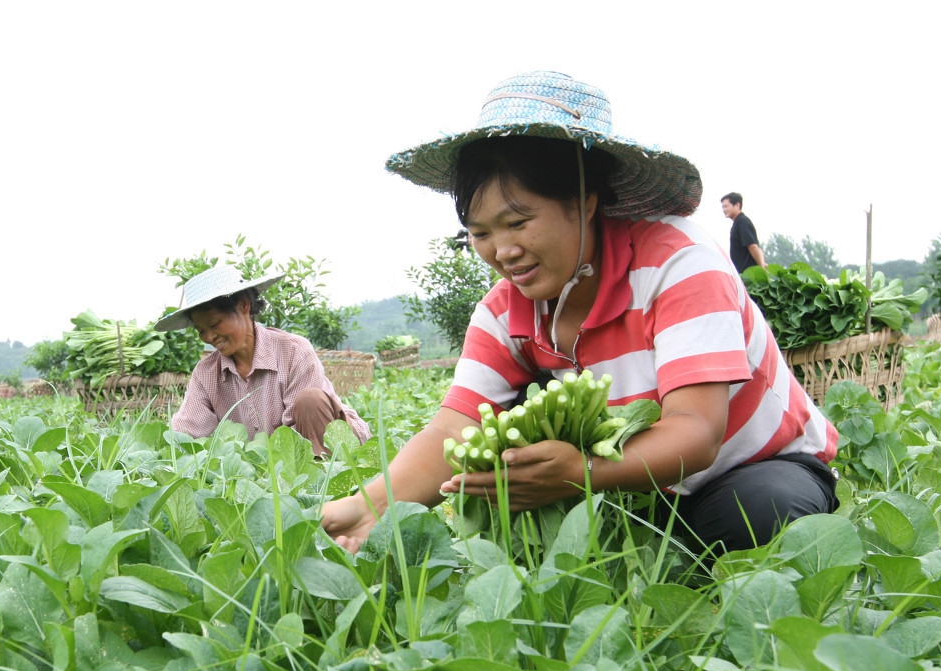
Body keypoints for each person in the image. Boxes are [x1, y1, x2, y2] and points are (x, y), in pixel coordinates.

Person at [322, 70, 838, 555]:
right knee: (526, 483)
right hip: (633, 490)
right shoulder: (504, 311)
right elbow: (451, 430)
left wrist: (581, 472)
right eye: (480, 233)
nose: (502, 251)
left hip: (751, 467)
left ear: (585, 200)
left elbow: (697, 432)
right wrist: (368, 507)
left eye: (518, 221)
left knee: (759, 514)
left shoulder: (678, 264)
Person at [155, 265, 371, 456]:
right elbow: (186, 430)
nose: (209, 337)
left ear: (244, 306)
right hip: (269, 464)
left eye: (215, 324)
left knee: (310, 401)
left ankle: (330, 490)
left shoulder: (294, 351)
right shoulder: (206, 373)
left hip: (333, 445)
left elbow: (296, 436)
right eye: (201, 331)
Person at [721, 192, 767, 272]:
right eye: (723, 207)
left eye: (726, 206)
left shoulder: (743, 222)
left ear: (737, 205)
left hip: (749, 274)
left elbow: (753, 246)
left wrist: (762, 268)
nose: (724, 210)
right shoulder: (737, 223)